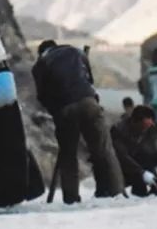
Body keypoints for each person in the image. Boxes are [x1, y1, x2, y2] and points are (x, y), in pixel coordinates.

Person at [32, 40, 125, 203]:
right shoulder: (76, 51)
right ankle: (117, 191)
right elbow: (89, 80)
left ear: (41, 52)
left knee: (68, 156)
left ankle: (71, 198)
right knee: (104, 149)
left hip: (64, 109)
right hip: (89, 102)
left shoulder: (40, 64)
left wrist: (56, 113)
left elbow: (42, 96)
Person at [111, 105, 157, 196]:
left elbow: (150, 152)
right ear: (134, 122)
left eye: (149, 126)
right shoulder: (118, 130)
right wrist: (141, 173)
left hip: (140, 164)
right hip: (121, 168)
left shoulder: (150, 129)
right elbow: (122, 156)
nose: (145, 130)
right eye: (144, 127)